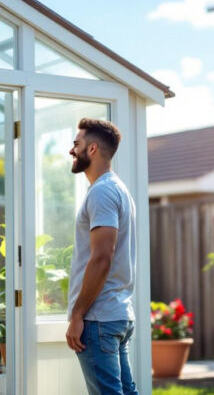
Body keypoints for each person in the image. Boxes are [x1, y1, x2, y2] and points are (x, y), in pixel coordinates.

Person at [65, 118, 138, 395]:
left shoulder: (103, 192)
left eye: (77, 144)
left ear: (92, 148)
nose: (72, 150)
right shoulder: (116, 188)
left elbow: (102, 258)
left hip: (99, 319)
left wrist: (78, 315)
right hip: (114, 315)